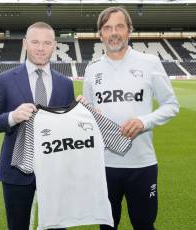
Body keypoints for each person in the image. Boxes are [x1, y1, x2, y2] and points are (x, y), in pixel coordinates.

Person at [82, 6, 180, 230]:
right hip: (105, 165)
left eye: (119, 27)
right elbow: (90, 116)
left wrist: (144, 122)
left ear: (129, 31)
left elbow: (172, 105)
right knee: (107, 225)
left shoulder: (150, 62)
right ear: (100, 34)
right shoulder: (92, 69)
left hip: (142, 164)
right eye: (107, 28)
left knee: (144, 225)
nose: (113, 32)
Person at [0, 22, 74, 230]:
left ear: (54, 46)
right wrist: (12, 117)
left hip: (54, 171)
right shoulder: (5, 80)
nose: (41, 48)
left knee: (58, 227)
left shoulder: (65, 83)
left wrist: (82, 113)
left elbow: (69, 127)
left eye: (47, 43)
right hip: (16, 172)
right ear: (25, 44)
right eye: (35, 42)